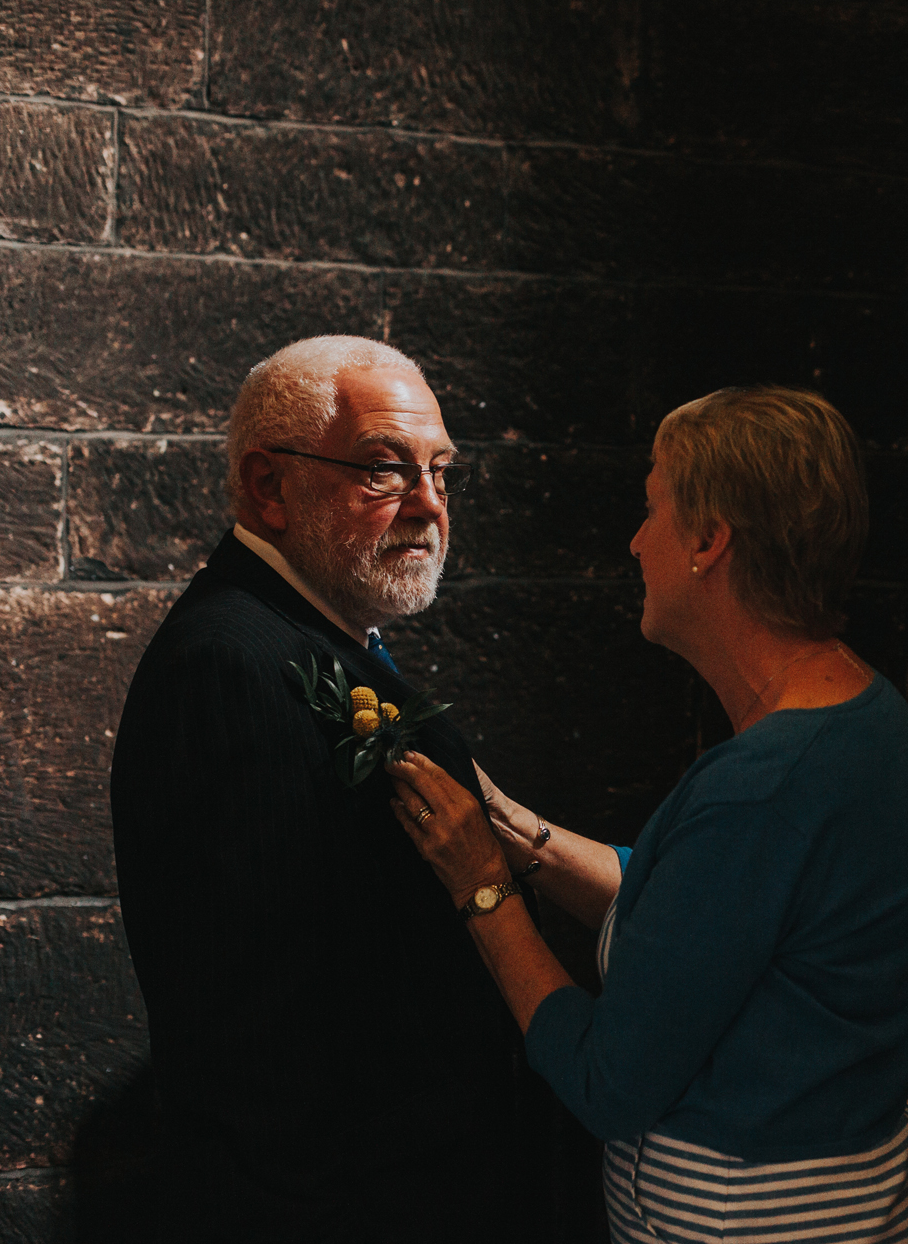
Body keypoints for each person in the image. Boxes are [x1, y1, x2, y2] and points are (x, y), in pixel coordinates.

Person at [385, 385, 908, 1243]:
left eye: (652, 510)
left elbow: (609, 1081)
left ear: (710, 541)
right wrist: (520, 835)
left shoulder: (761, 783)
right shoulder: (862, 716)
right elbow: (699, 915)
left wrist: (482, 889)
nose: (636, 541)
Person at [111, 336, 544, 1239]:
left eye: (440, 471)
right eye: (384, 471)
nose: (428, 506)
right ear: (269, 487)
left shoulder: (318, 632)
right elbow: (261, 1041)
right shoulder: (230, 667)